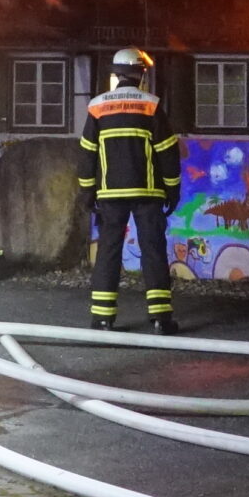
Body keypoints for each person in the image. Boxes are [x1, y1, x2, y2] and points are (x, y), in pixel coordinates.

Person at [78, 47, 184, 333]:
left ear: (116, 74)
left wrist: (87, 191)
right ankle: (161, 319)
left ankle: (102, 318)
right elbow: (167, 152)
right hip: (148, 193)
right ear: (141, 75)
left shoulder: (98, 106)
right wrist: (172, 190)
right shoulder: (151, 105)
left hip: (110, 194)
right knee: (153, 250)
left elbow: (87, 152)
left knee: (109, 251)